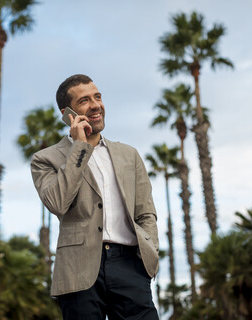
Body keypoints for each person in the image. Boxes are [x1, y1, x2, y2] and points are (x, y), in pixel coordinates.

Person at [31, 74, 159, 319]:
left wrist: (149, 254)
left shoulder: (128, 155)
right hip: (78, 269)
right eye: (84, 101)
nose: (95, 105)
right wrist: (80, 147)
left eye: (97, 97)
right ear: (68, 112)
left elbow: (145, 213)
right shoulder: (45, 159)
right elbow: (58, 203)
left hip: (130, 264)